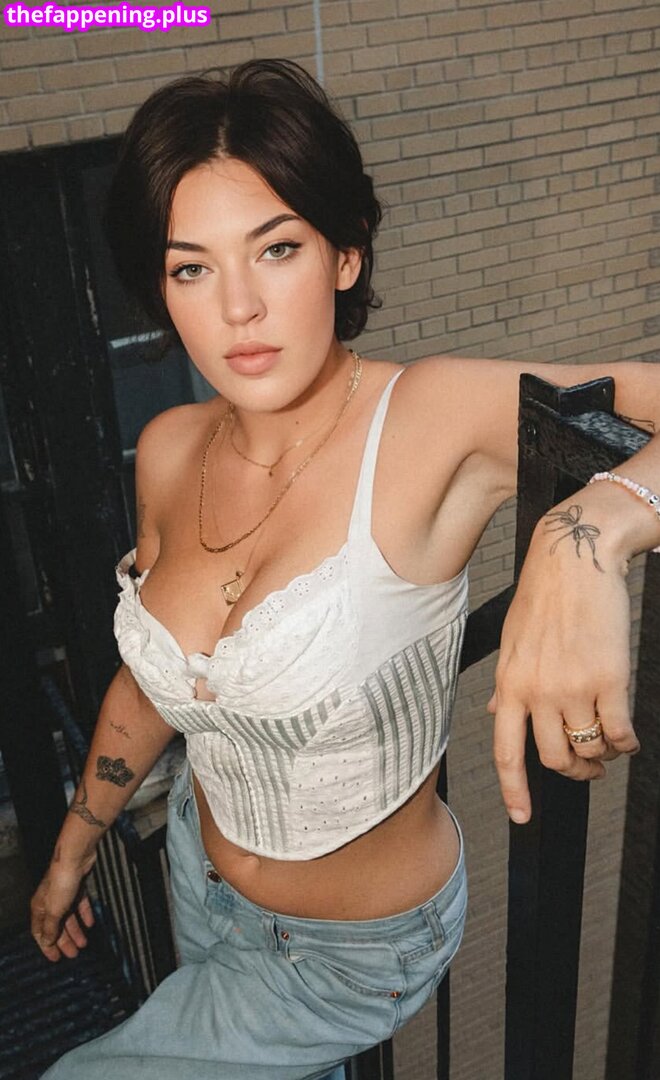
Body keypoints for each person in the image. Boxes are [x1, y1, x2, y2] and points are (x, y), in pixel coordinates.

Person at [31, 58, 660, 1079]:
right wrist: (72, 849)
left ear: (345, 254)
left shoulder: (428, 415)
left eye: (276, 248)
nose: (238, 307)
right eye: (191, 269)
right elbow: (153, 688)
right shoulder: (172, 448)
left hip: (349, 957)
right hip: (200, 871)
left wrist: (587, 531)